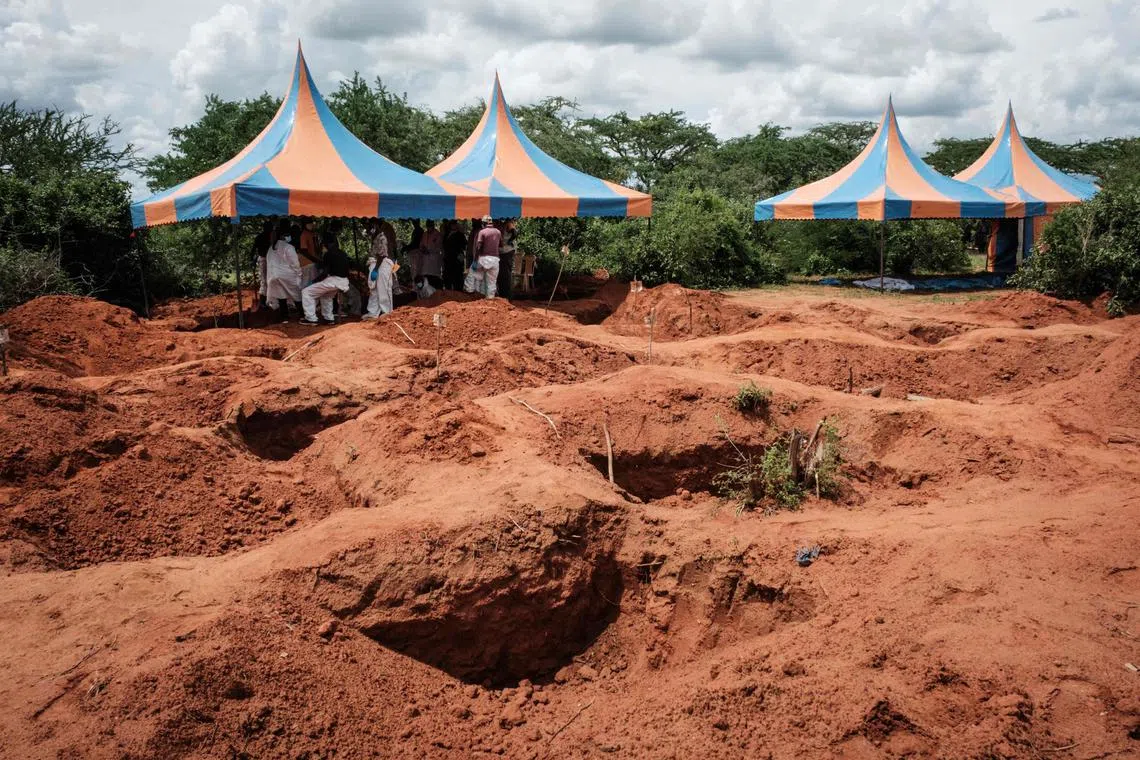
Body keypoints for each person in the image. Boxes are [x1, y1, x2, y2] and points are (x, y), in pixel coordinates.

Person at [299, 231, 351, 326]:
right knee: (326, 296)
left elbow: (325, 273)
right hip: (344, 281)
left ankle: (311, 319)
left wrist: (313, 281)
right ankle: (329, 318)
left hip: (333, 281)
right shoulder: (342, 253)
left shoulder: (328, 254)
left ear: (325, 243)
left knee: (306, 292)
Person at [265, 219, 302, 321]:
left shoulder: (271, 248)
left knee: (281, 296)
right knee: (297, 295)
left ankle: (284, 317)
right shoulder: (288, 247)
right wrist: (299, 275)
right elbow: (295, 264)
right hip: (287, 275)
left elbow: (269, 263)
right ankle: (303, 315)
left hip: (273, 277)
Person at [464, 215, 502, 299]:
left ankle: (469, 291)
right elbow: (501, 245)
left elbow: (478, 247)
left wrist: (475, 260)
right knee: (492, 281)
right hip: (495, 260)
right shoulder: (498, 232)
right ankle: (490, 298)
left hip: (484, 258)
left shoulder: (482, 232)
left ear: (483, 223)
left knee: (472, 273)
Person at [363, 220, 395, 319]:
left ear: (376, 226)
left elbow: (382, 255)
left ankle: (387, 312)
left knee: (384, 289)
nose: (369, 229)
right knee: (374, 289)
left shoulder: (382, 237)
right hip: (375, 264)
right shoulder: (374, 237)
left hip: (382, 265)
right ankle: (373, 313)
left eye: (370, 227)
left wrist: (376, 269)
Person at [416, 220, 444, 297]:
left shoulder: (438, 235)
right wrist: (423, 249)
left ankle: (437, 293)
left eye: (430, 226)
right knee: (425, 277)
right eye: (427, 226)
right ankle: (425, 295)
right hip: (425, 260)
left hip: (434, 260)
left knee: (435, 277)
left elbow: (439, 248)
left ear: (433, 225)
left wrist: (430, 251)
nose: (429, 228)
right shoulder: (424, 234)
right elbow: (421, 245)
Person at [251, 220, 274, 310]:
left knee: (271, 280)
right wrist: (252, 260)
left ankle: (270, 300)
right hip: (264, 259)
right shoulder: (260, 237)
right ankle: (262, 302)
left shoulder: (272, 237)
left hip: (272, 260)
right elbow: (253, 249)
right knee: (264, 281)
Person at [443, 221, 468, 290]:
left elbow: (464, 245)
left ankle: (458, 292)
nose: (453, 226)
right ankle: (449, 292)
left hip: (457, 259)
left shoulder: (460, 235)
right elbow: (444, 246)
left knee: (458, 277)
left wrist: (461, 256)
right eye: (452, 224)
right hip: (448, 259)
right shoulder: (447, 234)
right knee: (448, 277)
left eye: (454, 224)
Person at [497, 219, 518, 300]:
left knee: (505, 274)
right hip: (503, 251)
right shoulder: (502, 224)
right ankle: (503, 294)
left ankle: (506, 295)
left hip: (507, 251)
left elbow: (515, 233)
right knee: (502, 274)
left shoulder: (508, 223)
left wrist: (510, 240)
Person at [297, 218, 321, 288]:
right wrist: (316, 260)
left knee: (314, 286)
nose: (311, 224)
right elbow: (304, 251)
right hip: (307, 264)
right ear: (304, 225)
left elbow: (317, 249)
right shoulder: (304, 235)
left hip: (313, 263)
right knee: (308, 286)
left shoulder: (312, 234)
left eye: (311, 222)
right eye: (309, 222)